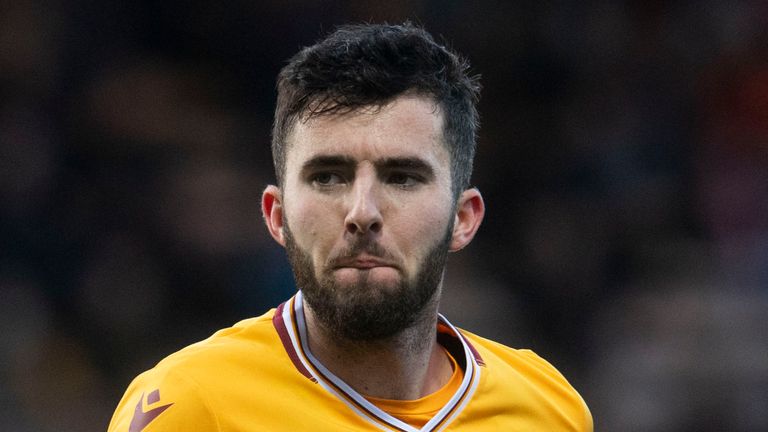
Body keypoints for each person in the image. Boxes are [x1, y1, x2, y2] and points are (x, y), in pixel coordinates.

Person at [108, 22, 592, 431]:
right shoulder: (189, 405)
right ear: (277, 216)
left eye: (402, 177)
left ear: (463, 219)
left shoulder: (549, 409)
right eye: (327, 177)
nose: (362, 212)